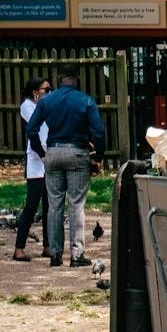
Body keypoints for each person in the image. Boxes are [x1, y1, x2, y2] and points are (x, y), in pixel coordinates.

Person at [26, 64, 106, 267]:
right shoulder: (86, 100)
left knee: (54, 205)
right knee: (76, 204)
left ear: (59, 78)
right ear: (77, 77)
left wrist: (41, 152)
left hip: (53, 152)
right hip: (77, 152)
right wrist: (98, 156)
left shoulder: (46, 101)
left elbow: (31, 129)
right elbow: (99, 132)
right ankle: (77, 254)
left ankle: (55, 254)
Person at [12, 76, 52, 262]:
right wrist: (41, 152)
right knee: (31, 204)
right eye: (45, 89)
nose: (49, 93)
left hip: (49, 158)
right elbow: (34, 127)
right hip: (36, 161)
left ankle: (48, 245)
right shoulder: (27, 106)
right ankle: (19, 248)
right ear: (36, 91)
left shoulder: (46, 107)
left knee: (49, 205)